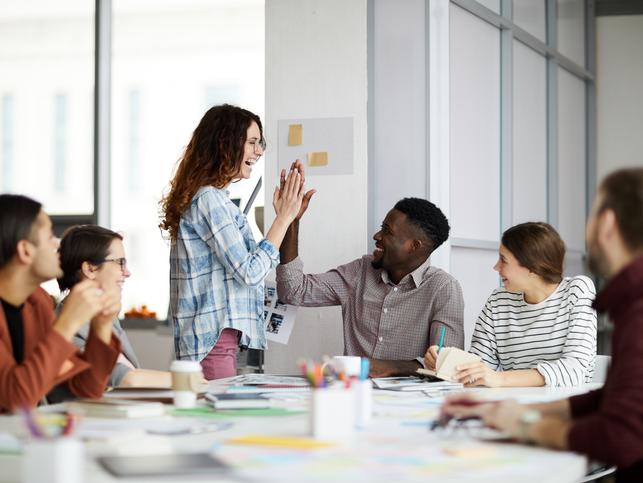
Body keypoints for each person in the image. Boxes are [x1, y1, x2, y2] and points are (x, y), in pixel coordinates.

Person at [440, 168, 643, 482]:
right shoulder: (629, 301)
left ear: (607, 224)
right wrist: (523, 413)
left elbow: (620, 436)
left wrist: (525, 425)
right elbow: (612, 399)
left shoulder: (630, 305)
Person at [159, 104, 310, 380]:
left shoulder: (216, 200)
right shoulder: (209, 200)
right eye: (252, 142)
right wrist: (282, 219)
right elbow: (250, 272)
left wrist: (285, 218)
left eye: (260, 143)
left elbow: (250, 267)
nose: (259, 151)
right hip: (212, 344)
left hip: (218, 342)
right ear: (225, 145)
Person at [276, 175, 465, 377]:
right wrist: (290, 220)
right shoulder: (360, 272)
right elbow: (293, 291)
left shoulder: (443, 289)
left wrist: (391, 367)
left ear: (414, 246)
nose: (377, 236)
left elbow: (446, 365)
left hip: (410, 403)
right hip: (353, 394)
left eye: (387, 231)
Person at [424, 222, 597, 387]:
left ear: (532, 267)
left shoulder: (577, 290)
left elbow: (576, 368)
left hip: (565, 408)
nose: (496, 267)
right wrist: (444, 361)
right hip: (513, 406)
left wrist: (500, 379)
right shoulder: (498, 301)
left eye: (503, 260)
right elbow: (480, 365)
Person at [0, 194, 121, 412]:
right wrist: (67, 323)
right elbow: (15, 398)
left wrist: (101, 324)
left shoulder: (36, 303)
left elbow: (87, 389)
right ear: (25, 250)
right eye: (49, 237)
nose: (58, 245)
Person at [57, 225, 172, 388]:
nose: (127, 272)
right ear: (90, 269)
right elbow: (125, 380)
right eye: (120, 263)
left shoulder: (105, 317)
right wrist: (185, 379)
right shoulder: (66, 328)